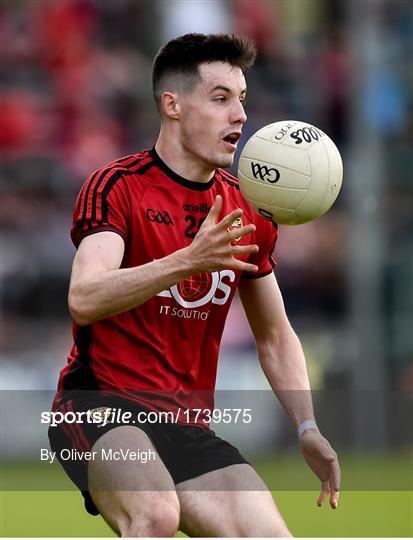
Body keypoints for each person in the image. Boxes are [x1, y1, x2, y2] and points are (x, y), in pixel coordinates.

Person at [49, 33, 340, 538]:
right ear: (173, 105)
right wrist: (187, 261)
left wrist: (306, 426)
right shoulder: (117, 186)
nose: (240, 116)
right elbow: (84, 298)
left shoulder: (248, 208)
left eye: (243, 100)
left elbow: (274, 336)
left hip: (186, 423)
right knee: (155, 515)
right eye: (221, 98)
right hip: (98, 407)